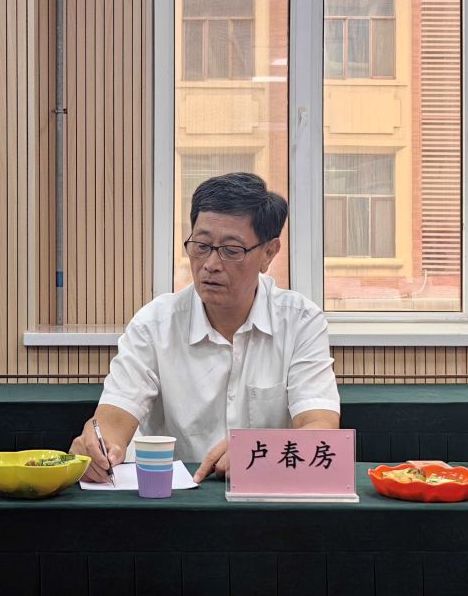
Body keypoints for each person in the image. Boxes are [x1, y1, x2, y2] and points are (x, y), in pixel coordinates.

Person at [71, 172, 340, 483]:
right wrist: (98, 445)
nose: (211, 264)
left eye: (231, 250)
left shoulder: (301, 322)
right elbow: (113, 421)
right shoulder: (154, 324)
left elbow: (321, 429)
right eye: (201, 246)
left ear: (268, 253)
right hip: (173, 499)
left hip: (265, 495)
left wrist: (256, 451)